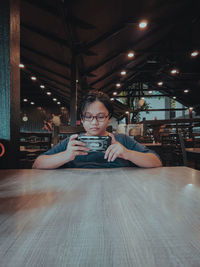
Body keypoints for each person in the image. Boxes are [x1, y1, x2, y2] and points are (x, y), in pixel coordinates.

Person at [33, 91, 162, 169]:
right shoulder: (73, 143)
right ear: (82, 119)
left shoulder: (122, 140)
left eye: (100, 117)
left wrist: (127, 153)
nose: (94, 123)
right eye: (88, 117)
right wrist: (66, 156)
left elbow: (156, 162)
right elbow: (37, 164)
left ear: (108, 118)